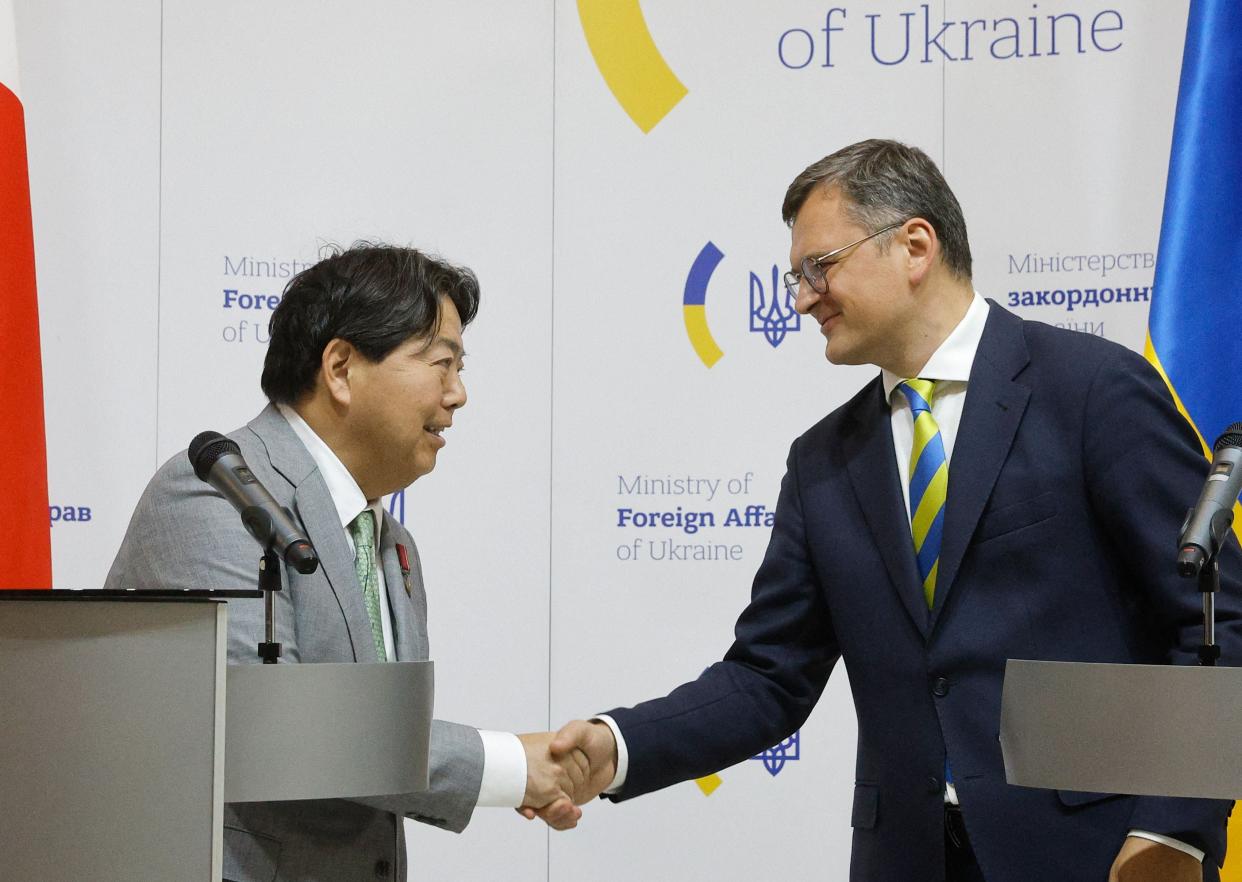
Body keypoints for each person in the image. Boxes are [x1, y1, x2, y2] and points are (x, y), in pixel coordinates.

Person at [541, 140, 1242, 882]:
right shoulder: (822, 461)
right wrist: (615, 746)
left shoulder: (1091, 390)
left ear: (914, 246)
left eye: (820, 267)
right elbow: (767, 678)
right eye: (795, 278)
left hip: (1095, 857)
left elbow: (1213, 619)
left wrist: (1175, 830)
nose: (803, 298)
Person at [105, 243, 581, 882]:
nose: (459, 394)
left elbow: (383, 743)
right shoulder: (214, 494)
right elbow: (272, 729)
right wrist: (513, 769)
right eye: (441, 363)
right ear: (340, 367)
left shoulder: (393, 544)